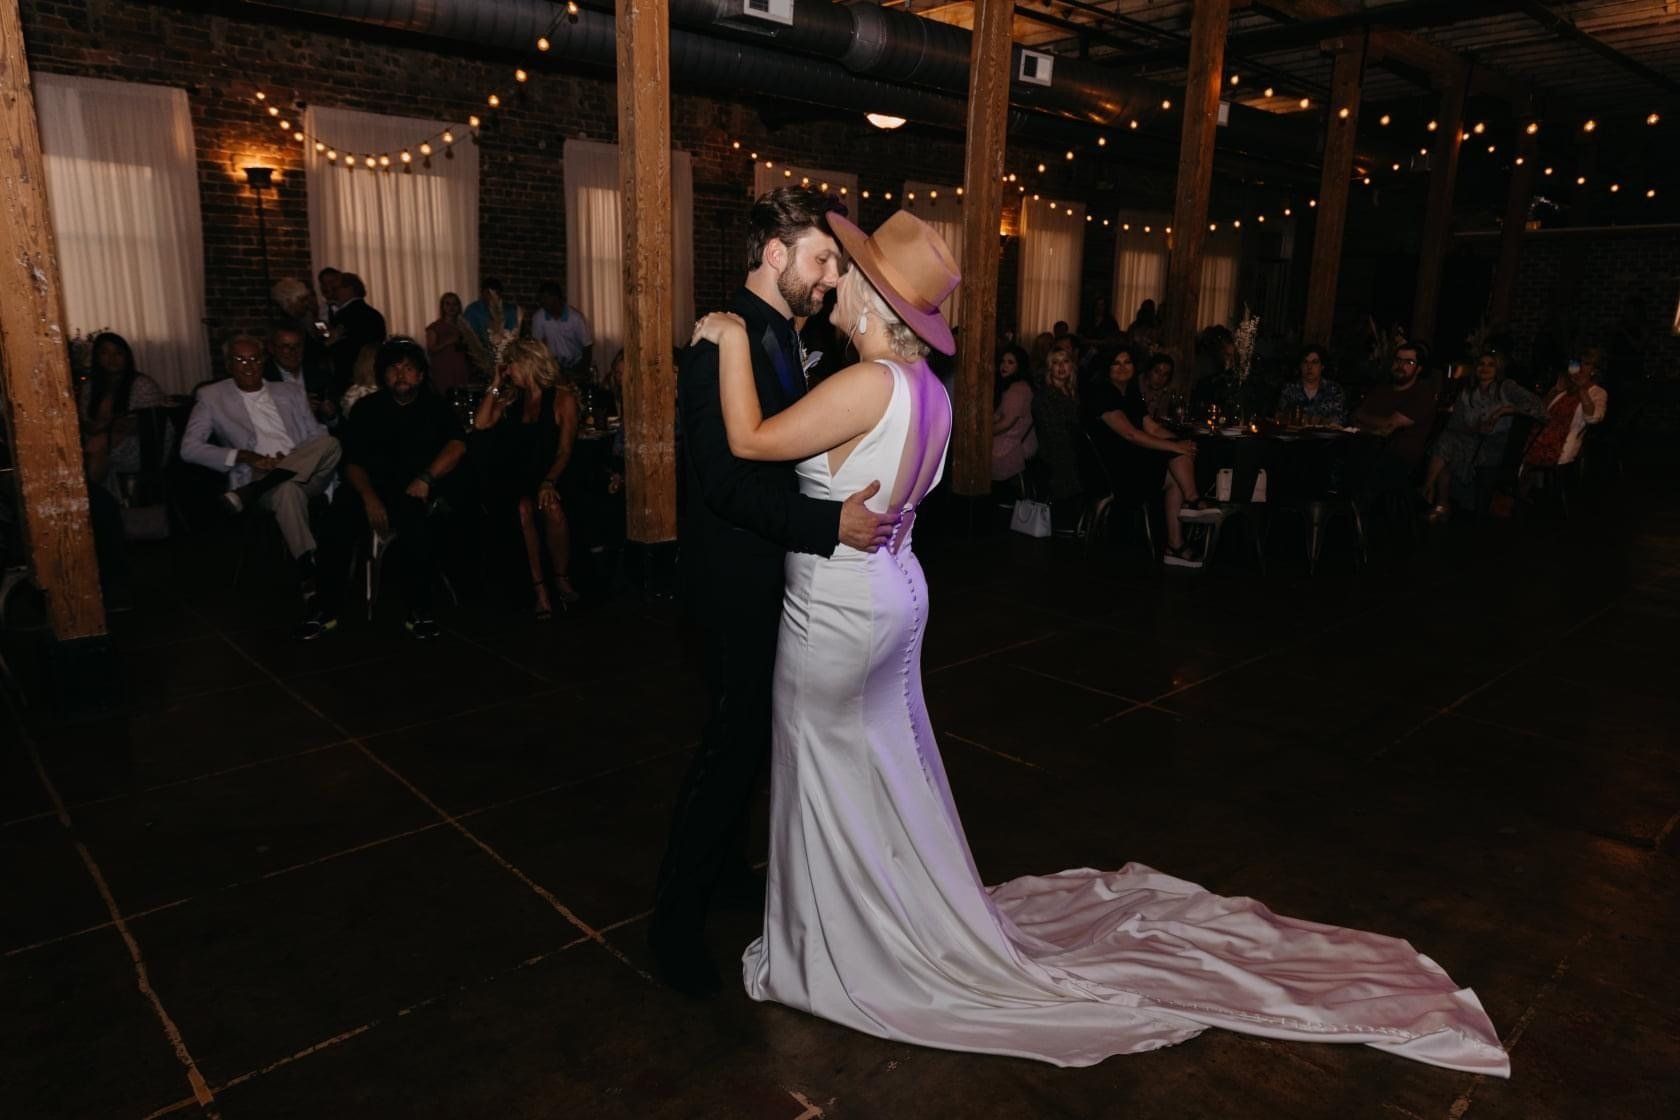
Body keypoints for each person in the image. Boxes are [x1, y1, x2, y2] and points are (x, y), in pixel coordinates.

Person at [692, 209, 1508, 1076]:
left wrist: (728, 336)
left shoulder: (865, 385)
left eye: (849, 273)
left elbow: (746, 441)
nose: (838, 284)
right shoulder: (929, 390)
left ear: (870, 297)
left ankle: (843, 945)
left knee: (827, 770)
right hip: (896, 594)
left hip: (840, 610)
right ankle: (888, 911)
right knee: (881, 767)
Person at [650, 187, 900, 997]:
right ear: (774, 253)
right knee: (728, 750)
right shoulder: (717, 343)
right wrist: (831, 527)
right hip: (730, 586)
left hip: (771, 582)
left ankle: (720, 876)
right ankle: (672, 926)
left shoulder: (782, 338)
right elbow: (723, 485)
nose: (830, 279)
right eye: (822, 260)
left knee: (750, 745)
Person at [300, 337, 466, 641]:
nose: (400, 374)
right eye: (393, 368)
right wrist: (368, 497)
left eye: (408, 368)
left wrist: (427, 478)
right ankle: (325, 610)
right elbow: (352, 462)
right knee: (335, 525)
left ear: (420, 374)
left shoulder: (435, 406)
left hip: (413, 488)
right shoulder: (367, 409)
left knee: (418, 528)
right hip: (368, 488)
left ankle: (420, 611)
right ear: (382, 374)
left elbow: (457, 445)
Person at [181, 334, 341, 606]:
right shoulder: (211, 396)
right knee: (287, 490)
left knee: (331, 442)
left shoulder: (289, 391)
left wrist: (292, 457)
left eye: (255, 358)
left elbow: (317, 435)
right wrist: (244, 455)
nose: (249, 365)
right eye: (240, 359)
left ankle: (254, 491)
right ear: (228, 364)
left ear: (264, 361)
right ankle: (307, 569)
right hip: (259, 471)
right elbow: (189, 448)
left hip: (307, 471)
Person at [472, 338, 582, 619]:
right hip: (515, 477)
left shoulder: (562, 398)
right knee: (522, 508)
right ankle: (540, 590)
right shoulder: (511, 399)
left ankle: (560, 576)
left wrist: (549, 481)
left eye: (511, 365)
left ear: (529, 362)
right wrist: (496, 381)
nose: (508, 371)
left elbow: (566, 449)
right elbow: (481, 423)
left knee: (552, 507)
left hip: (552, 473)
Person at [1086, 345, 1208, 566]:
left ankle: (1176, 542)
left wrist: (1180, 444)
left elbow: (1151, 427)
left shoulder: (1131, 392)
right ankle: (1192, 505)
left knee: (1176, 470)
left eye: (1128, 362)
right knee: (1173, 456)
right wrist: (1174, 447)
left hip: (1132, 458)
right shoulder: (1102, 393)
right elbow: (1131, 434)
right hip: (1112, 469)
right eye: (1117, 363)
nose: (1123, 368)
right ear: (1107, 368)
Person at [1421, 349, 1545, 520]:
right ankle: (1435, 496)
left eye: (1491, 364)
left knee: (1446, 446)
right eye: (1481, 364)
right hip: (1471, 440)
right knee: (1446, 442)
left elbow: (1538, 406)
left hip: (1494, 446)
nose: (1485, 368)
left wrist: (1507, 409)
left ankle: (1431, 494)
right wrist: (1475, 427)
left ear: (1498, 368)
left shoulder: (1505, 387)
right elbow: (1456, 424)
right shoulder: (1468, 392)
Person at [78, 331, 169, 495]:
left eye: (118, 353)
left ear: (127, 357)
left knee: (96, 448)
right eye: (105, 353)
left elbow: (147, 424)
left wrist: (105, 431)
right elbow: (86, 423)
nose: (112, 359)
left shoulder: (142, 384)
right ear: (97, 357)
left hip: (140, 446)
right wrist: (101, 430)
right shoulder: (89, 387)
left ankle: (90, 499)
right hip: (97, 444)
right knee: (92, 450)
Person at [1351, 341, 1438, 499]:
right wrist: (1368, 424)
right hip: (1365, 447)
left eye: (1409, 362)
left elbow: (1389, 424)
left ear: (1419, 369)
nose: (1401, 365)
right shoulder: (1381, 390)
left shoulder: (1422, 394)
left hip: (1400, 458)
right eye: (1398, 360)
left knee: (1363, 470)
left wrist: (1364, 419)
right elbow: (1355, 418)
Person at [1522, 348, 1608, 475]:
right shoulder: (1565, 385)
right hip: (1539, 436)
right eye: (1578, 362)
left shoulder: (1598, 392)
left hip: (1562, 445)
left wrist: (1582, 389)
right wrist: (1555, 391)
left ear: (1594, 370)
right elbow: (1539, 410)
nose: (1580, 367)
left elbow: (1593, 418)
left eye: (1586, 364)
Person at [1030, 344, 1082, 531]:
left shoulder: (1073, 393)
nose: (1061, 367)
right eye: (1056, 362)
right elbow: (1054, 434)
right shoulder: (1045, 396)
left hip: (1071, 454)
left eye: (1065, 361)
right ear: (1049, 367)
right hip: (1054, 458)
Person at [325, 273, 387, 396]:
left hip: (347, 374)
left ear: (350, 289)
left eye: (336, 289)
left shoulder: (344, 315)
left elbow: (334, 344)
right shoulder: (374, 313)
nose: (333, 293)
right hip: (371, 371)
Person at [266, 325, 338, 424]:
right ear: (271, 348)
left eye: (297, 346)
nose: (293, 351)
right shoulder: (264, 379)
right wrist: (299, 408)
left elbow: (337, 425)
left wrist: (330, 415)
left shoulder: (319, 374)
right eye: (286, 346)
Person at [991, 344, 1036, 486]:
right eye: (1003, 361)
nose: (1004, 366)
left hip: (1008, 451)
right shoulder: (1013, 386)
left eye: (1010, 362)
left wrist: (982, 434)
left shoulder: (1017, 390)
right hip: (1009, 447)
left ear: (1019, 366)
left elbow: (1006, 423)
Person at [529, 280, 594, 377]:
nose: (541, 301)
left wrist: (582, 370)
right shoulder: (539, 317)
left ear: (555, 298)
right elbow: (536, 346)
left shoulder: (575, 318)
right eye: (541, 298)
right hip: (553, 366)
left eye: (544, 298)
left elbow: (587, 345)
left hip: (576, 364)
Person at [424, 292, 484, 394]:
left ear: (459, 306)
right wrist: (448, 341)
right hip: (443, 370)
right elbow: (431, 350)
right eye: (447, 304)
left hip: (461, 369)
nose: (451, 307)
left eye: (454, 304)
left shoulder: (464, 327)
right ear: (442, 306)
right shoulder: (435, 327)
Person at [1275, 345, 1347, 426]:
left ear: (1322, 366)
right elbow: (1280, 416)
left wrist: (1315, 421)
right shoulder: (1289, 389)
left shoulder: (1333, 390)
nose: (1309, 367)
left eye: (1314, 362)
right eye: (1305, 362)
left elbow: (1339, 419)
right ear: (1301, 366)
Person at [463, 278, 520, 350]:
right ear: (482, 293)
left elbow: (513, 337)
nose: (492, 297)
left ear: (500, 294)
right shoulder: (473, 310)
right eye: (488, 293)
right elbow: (467, 338)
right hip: (479, 355)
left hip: (504, 354)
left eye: (496, 293)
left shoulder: (509, 311)